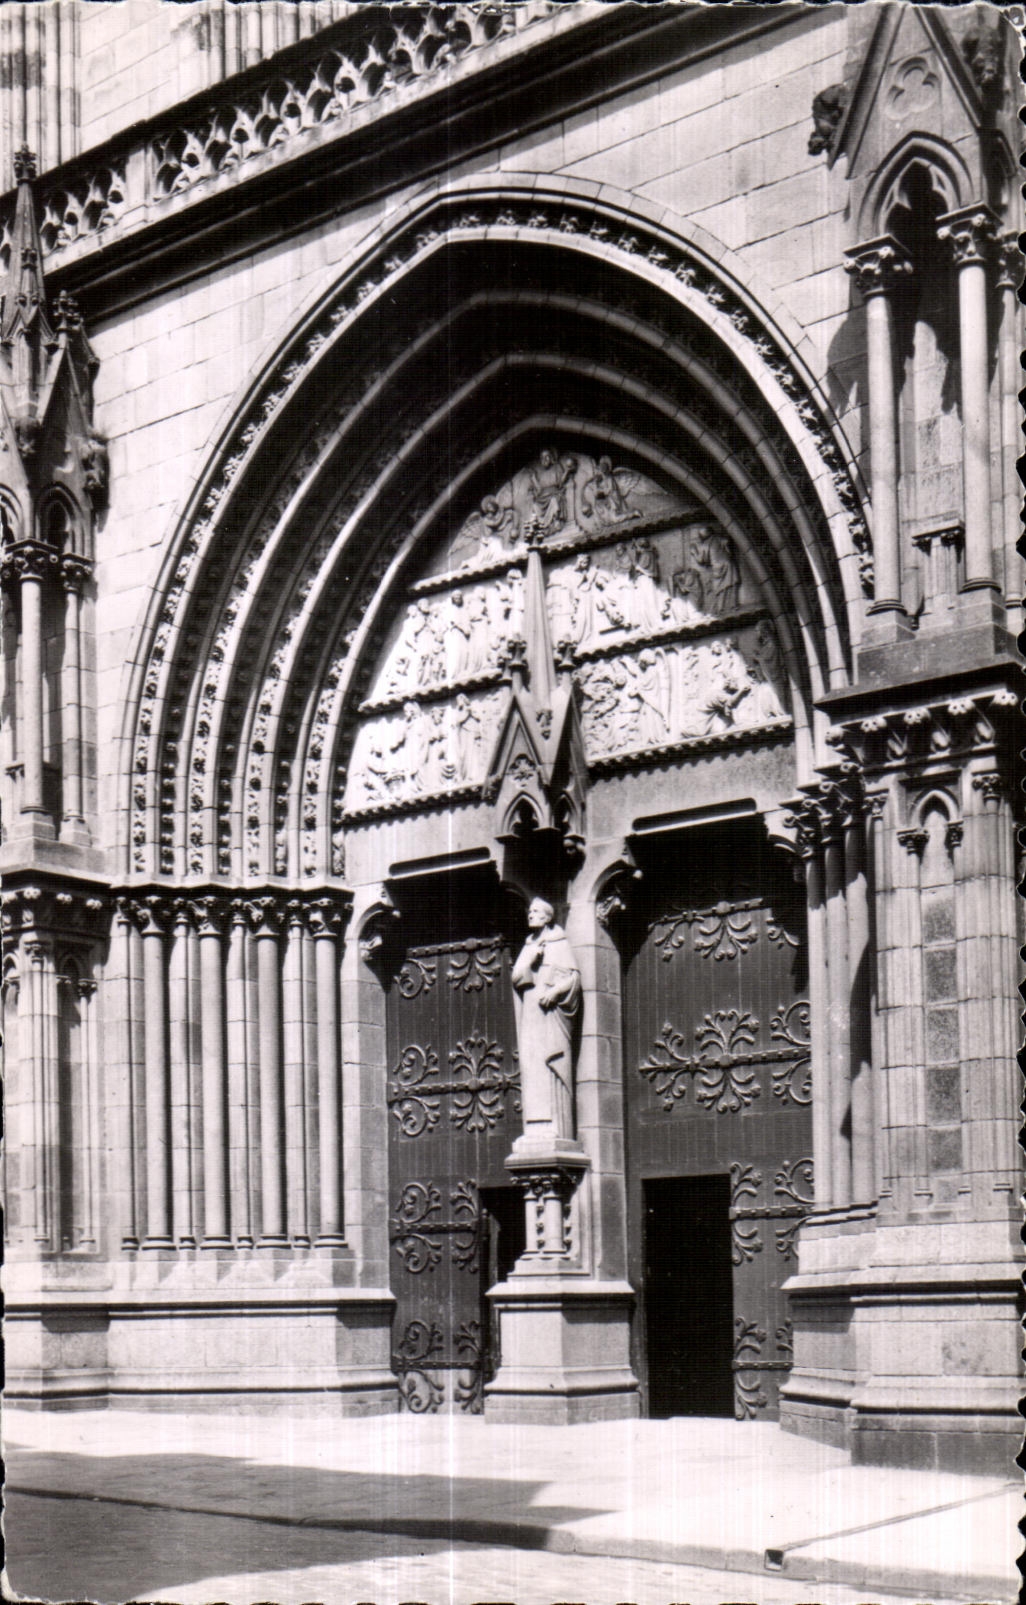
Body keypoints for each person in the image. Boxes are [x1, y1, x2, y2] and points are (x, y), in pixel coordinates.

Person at [511, 897, 581, 1141]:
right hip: (531, 1013)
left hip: (550, 1016)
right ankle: (535, 1126)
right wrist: (530, 960)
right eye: (529, 911)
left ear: (548, 917)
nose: (530, 915)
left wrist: (554, 992)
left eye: (536, 911)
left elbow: (573, 979)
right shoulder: (528, 945)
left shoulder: (560, 943)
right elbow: (517, 977)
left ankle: (558, 1128)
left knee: (551, 1061)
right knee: (532, 1065)